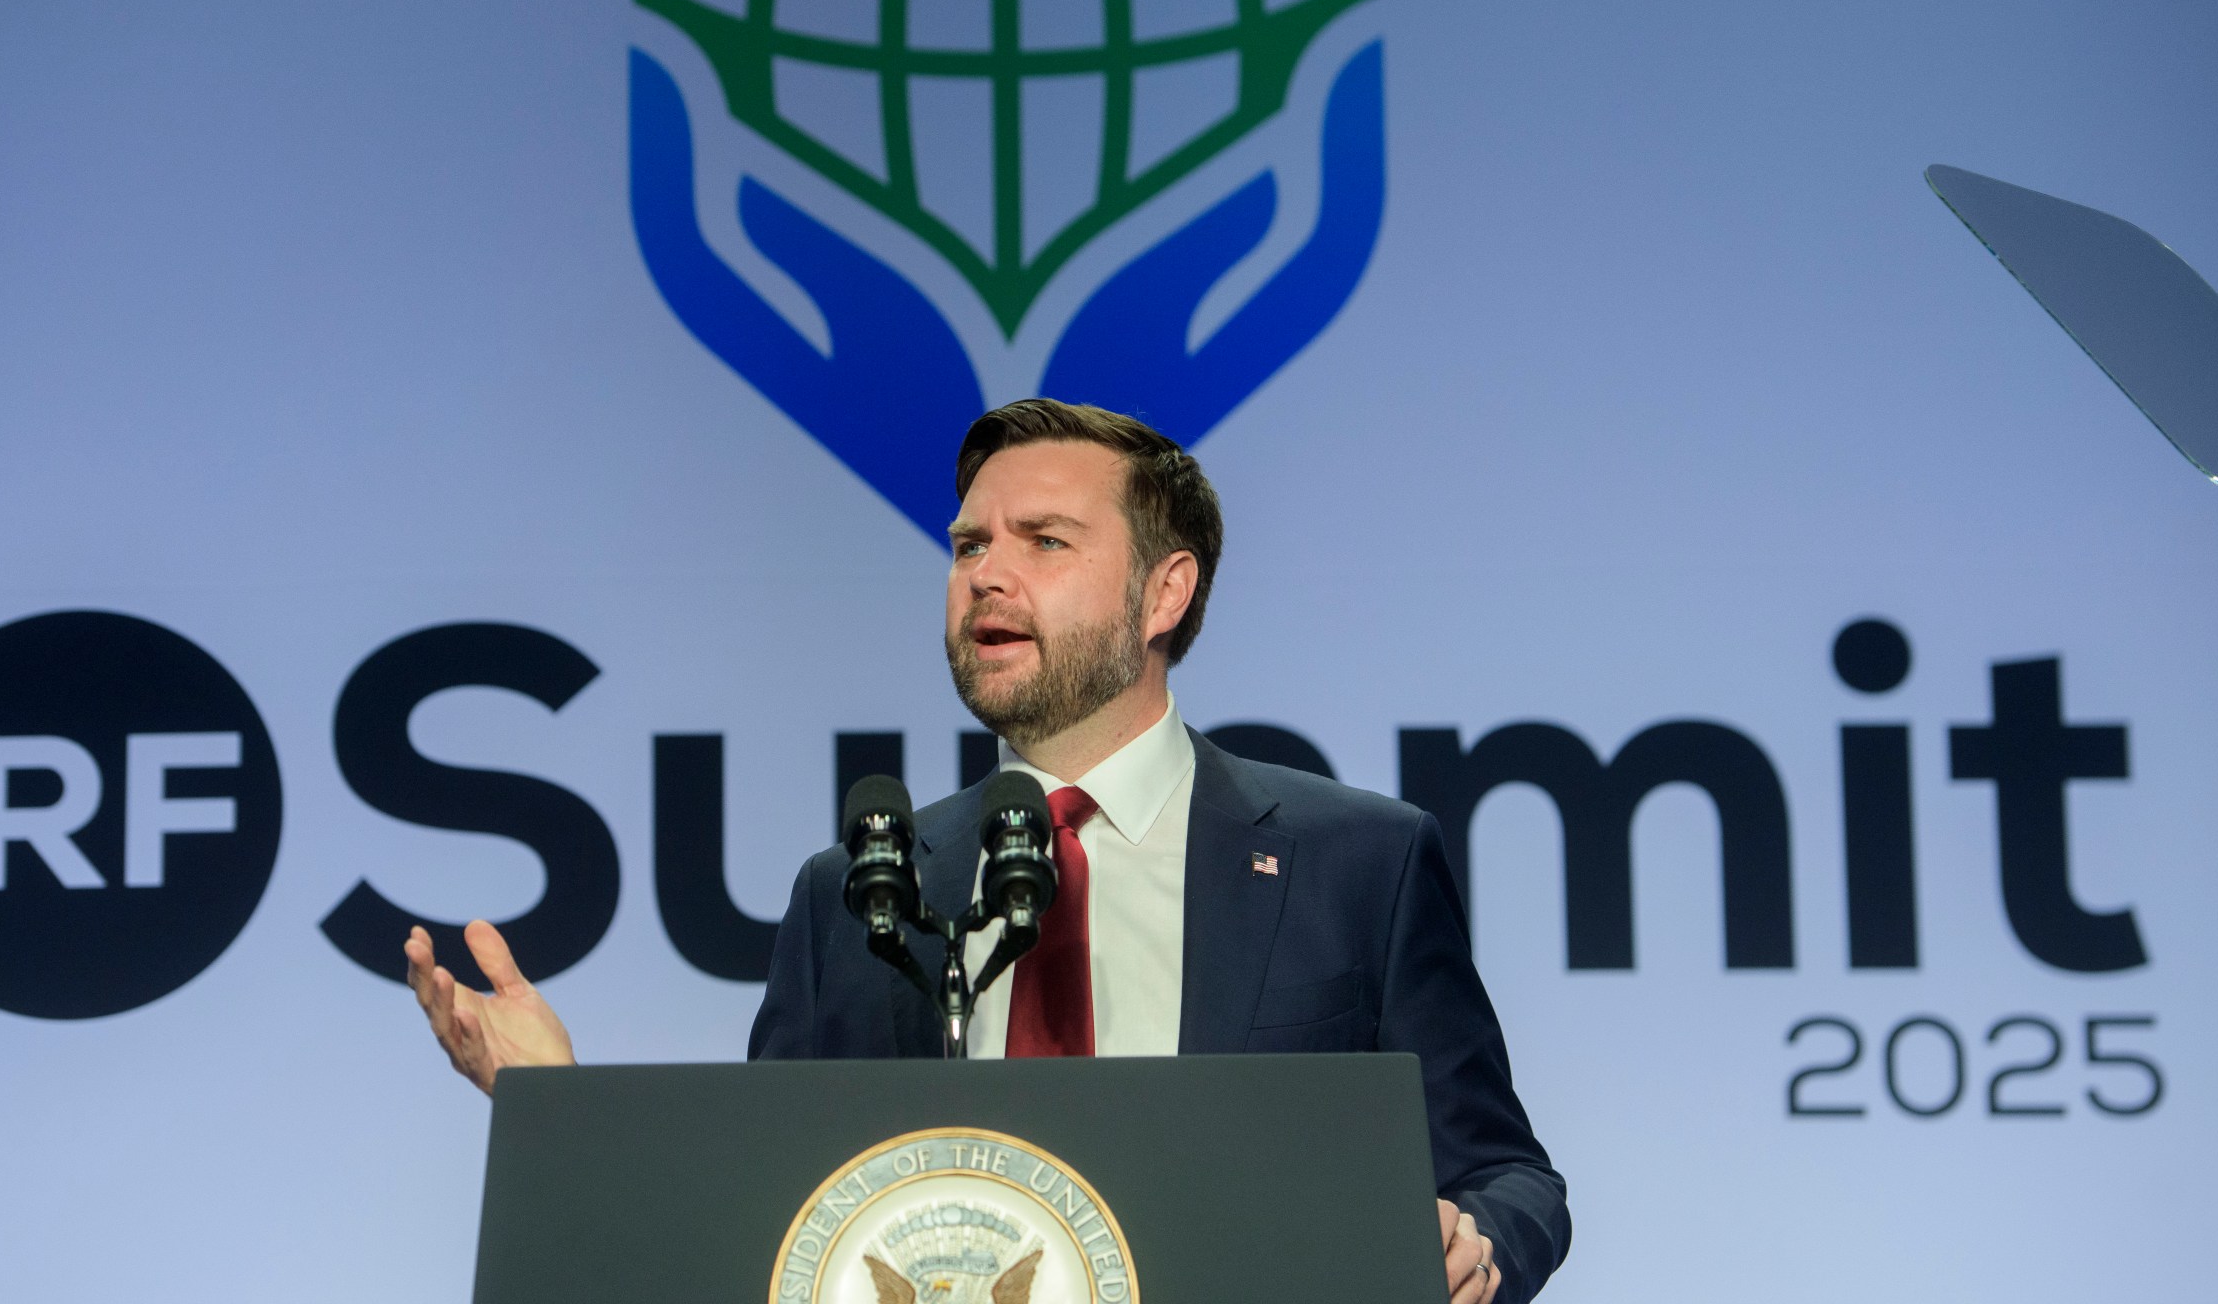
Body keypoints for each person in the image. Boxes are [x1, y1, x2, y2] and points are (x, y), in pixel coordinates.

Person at [404, 399, 1569, 1304]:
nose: (985, 574)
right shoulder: (860, 893)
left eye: (1044, 541)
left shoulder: (1351, 861)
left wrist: (1472, 1251)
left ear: (1164, 592)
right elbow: (771, 1224)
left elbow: (1507, 1178)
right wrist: (549, 1109)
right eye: (967, 544)